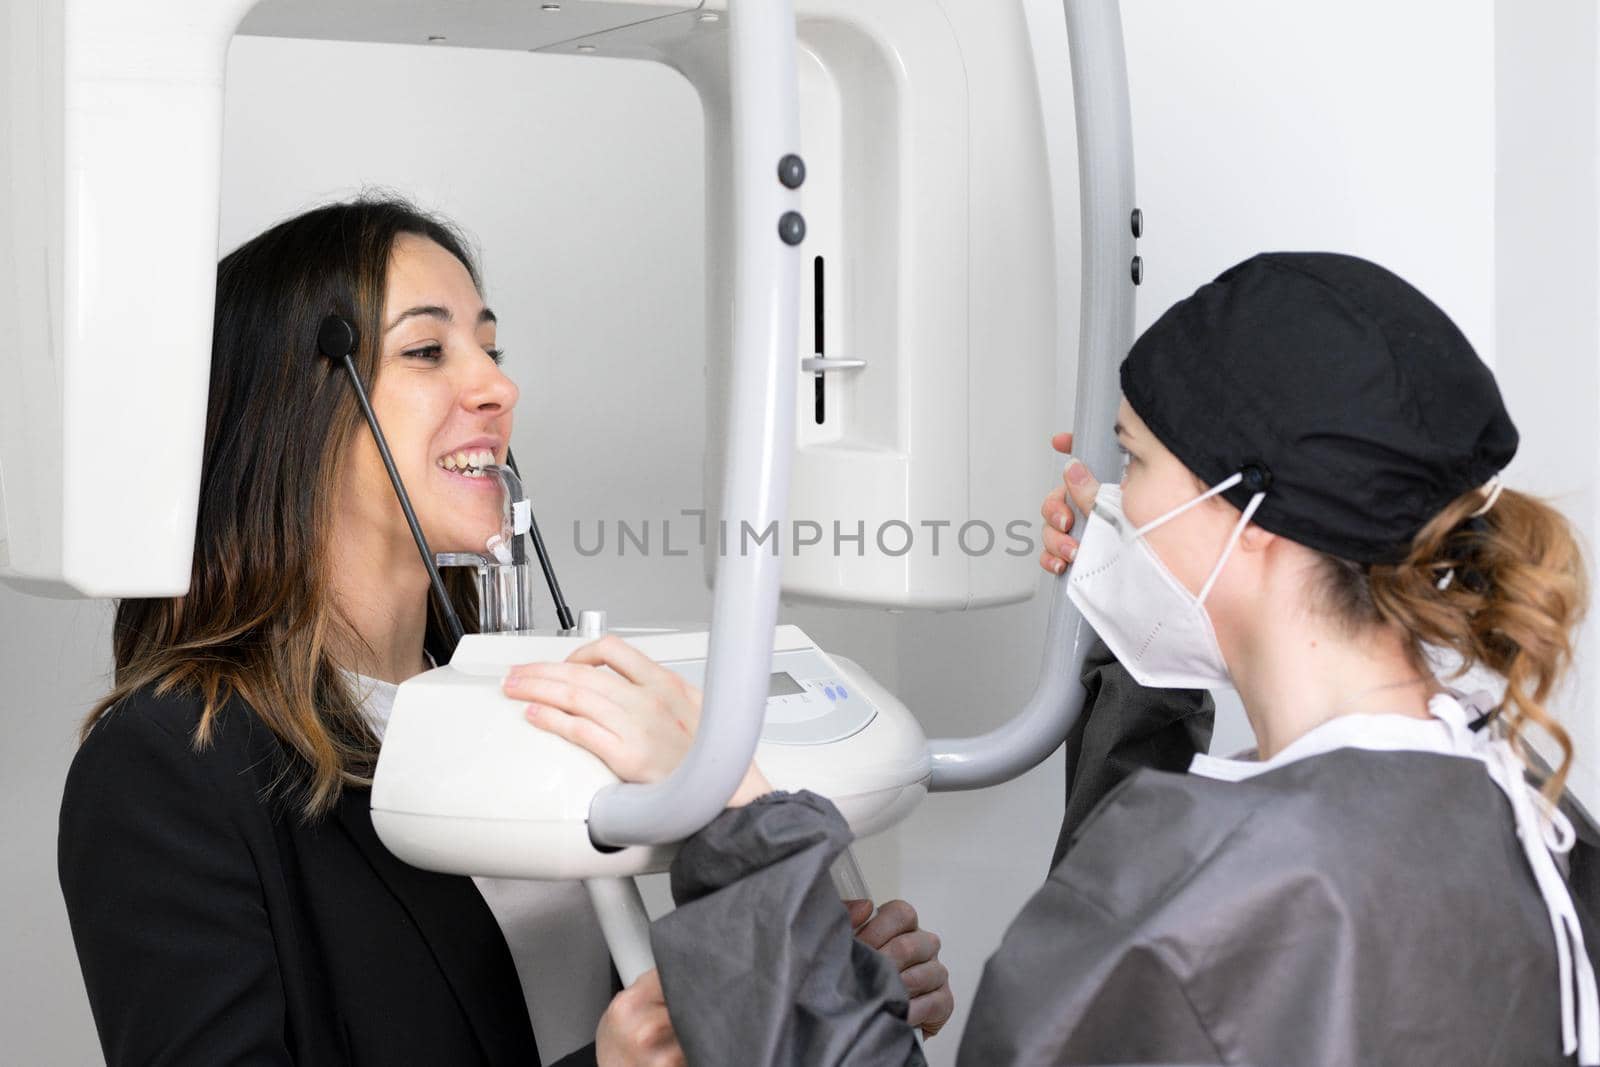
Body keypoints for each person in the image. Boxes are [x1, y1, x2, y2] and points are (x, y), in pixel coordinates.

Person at [510, 252, 1600, 1064]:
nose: (1115, 496)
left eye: (1134, 457)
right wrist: (1145, 647)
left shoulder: (1226, 883)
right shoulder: (1529, 815)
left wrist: (738, 823)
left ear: (1251, 519)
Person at [56, 197, 952, 1066]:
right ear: (288, 414)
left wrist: (802, 985)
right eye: (426, 350)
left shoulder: (505, 706)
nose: (497, 386)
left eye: (489, 348)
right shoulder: (167, 763)